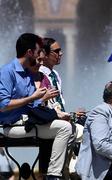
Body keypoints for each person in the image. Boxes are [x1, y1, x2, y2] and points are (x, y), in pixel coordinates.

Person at [0, 33, 73, 180]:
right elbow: (3, 105)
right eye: (37, 50)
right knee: (64, 128)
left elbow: (33, 105)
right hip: (12, 126)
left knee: (65, 126)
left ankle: (52, 174)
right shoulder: (7, 71)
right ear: (29, 52)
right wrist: (33, 97)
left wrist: (50, 108)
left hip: (27, 123)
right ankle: (53, 175)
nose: (41, 55)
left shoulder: (28, 74)